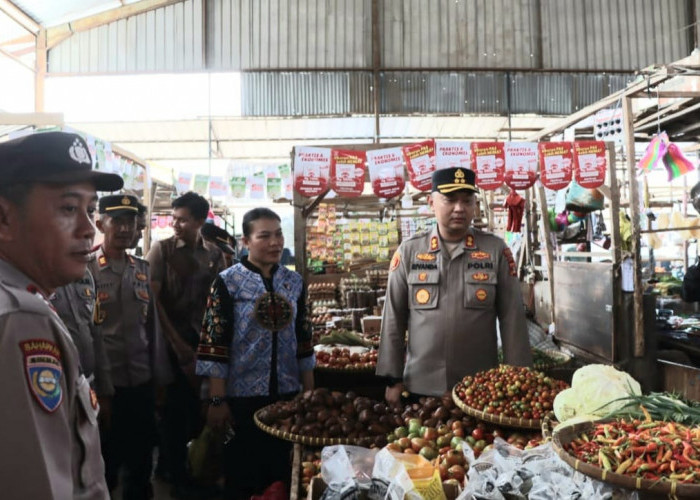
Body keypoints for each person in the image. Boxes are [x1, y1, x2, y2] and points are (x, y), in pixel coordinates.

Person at [0, 131, 123, 498]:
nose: (89, 229)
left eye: (90, 209)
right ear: (4, 219)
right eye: (69, 209)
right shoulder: (21, 318)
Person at [376, 167, 533, 405]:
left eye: (467, 201)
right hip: (420, 387)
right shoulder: (409, 252)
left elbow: (513, 319)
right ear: (431, 203)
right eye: (450, 199)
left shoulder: (495, 251)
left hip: (480, 389)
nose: (459, 208)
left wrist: (520, 379)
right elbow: (393, 319)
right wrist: (392, 378)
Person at [196, 207, 315, 500]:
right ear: (245, 241)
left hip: (287, 397)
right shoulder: (227, 282)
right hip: (241, 399)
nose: (275, 243)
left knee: (284, 476)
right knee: (243, 476)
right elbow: (214, 344)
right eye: (264, 236)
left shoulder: (294, 282)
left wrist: (309, 392)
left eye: (278, 235)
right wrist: (216, 399)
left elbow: (304, 338)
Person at [90, 194, 172, 499]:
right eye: (117, 221)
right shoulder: (86, 270)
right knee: (105, 466)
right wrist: (98, 391)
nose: (125, 228)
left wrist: (160, 379)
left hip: (141, 383)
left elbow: (152, 330)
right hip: (104, 389)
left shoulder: (142, 268)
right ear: (100, 223)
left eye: (131, 221)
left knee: (140, 465)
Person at [146, 192, 226, 495]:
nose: (175, 224)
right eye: (174, 218)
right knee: (174, 412)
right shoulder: (162, 251)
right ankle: (173, 475)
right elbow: (154, 303)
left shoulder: (214, 255)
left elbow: (218, 302)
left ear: (199, 220)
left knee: (199, 409)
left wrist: (210, 342)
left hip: (203, 343)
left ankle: (196, 470)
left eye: (182, 219)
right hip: (170, 343)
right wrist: (177, 344)